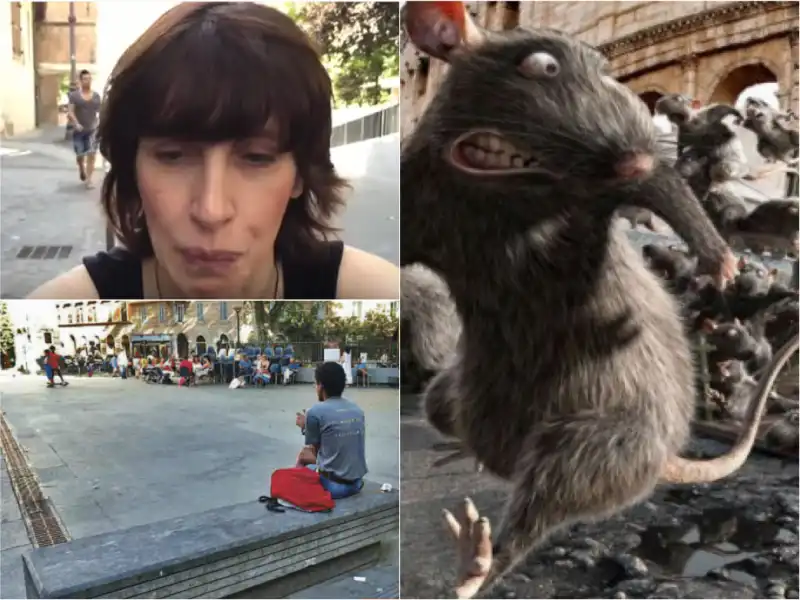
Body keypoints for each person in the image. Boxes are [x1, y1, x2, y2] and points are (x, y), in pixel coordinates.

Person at [28, 2, 398, 301]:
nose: (211, 210)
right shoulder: (60, 305)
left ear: (300, 174)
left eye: (257, 158)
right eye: (173, 156)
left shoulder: (386, 301)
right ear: (131, 167)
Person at [294, 362, 366, 499]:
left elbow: (317, 453)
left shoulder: (314, 412)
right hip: (357, 482)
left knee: (303, 455)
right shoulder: (357, 410)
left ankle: (299, 491)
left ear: (320, 386)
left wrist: (305, 426)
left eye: (315, 384)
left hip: (334, 487)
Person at [66, 69, 102, 190]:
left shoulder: (96, 96)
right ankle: (81, 168)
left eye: (89, 79)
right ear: (80, 81)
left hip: (92, 130)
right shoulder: (74, 96)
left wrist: (100, 124)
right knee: (80, 154)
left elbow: (100, 112)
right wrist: (76, 123)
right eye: (85, 79)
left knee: (92, 154)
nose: (88, 81)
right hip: (79, 131)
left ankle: (89, 180)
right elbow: (70, 112)